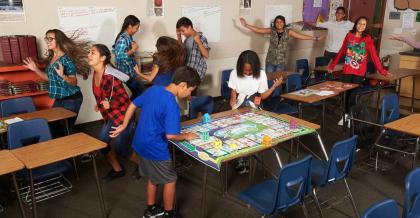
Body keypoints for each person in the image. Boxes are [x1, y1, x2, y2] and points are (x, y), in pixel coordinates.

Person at [110, 66, 201, 218]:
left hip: (140, 142)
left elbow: (133, 104)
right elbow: (171, 135)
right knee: (171, 179)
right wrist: (186, 136)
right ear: (182, 85)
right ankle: (169, 213)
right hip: (155, 147)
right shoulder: (172, 104)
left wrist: (124, 125)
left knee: (153, 177)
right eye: (190, 90)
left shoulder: (154, 89)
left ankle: (151, 209)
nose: (190, 94)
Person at [88, 44, 139, 181]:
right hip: (111, 115)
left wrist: (111, 104)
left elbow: (123, 98)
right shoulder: (96, 73)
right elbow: (103, 95)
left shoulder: (110, 76)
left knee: (123, 150)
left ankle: (144, 166)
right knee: (102, 143)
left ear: (103, 57)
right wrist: (100, 105)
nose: (89, 55)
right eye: (89, 52)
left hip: (123, 115)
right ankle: (118, 169)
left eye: (93, 52)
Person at [328, 16, 392, 126]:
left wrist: (383, 71)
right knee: (345, 95)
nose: (361, 26)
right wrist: (332, 65)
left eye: (364, 24)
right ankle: (345, 116)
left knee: (353, 96)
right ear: (356, 24)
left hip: (359, 73)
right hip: (347, 71)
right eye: (359, 23)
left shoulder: (367, 39)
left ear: (366, 27)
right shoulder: (349, 35)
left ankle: (351, 117)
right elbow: (341, 50)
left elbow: (374, 56)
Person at [23, 29, 89, 133]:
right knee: (53, 126)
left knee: (67, 128)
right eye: (46, 39)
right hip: (60, 98)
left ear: (59, 41)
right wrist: (35, 69)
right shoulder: (52, 58)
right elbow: (49, 78)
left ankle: (74, 147)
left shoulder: (66, 59)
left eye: (51, 39)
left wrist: (63, 75)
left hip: (71, 99)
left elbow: (74, 82)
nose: (48, 41)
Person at [228, 50, 283, 174]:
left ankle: (248, 158)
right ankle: (239, 159)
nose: (247, 73)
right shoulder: (234, 73)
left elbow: (263, 96)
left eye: (250, 71)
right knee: (237, 134)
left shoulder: (261, 74)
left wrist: (274, 87)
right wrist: (232, 101)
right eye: (245, 70)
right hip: (238, 106)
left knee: (252, 133)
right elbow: (233, 91)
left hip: (253, 106)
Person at [239, 15, 325, 73]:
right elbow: (259, 30)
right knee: (269, 80)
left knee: (279, 81)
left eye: (281, 22)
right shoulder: (271, 30)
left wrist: (315, 38)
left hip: (281, 62)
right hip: (270, 61)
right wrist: (246, 25)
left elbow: (301, 36)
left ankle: (278, 96)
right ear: (274, 23)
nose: (279, 23)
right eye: (277, 22)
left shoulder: (289, 32)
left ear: (284, 23)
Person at [113, 15, 144, 99]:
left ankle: (130, 110)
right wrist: (133, 50)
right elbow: (119, 56)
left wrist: (132, 47)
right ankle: (130, 110)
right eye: (136, 28)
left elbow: (115, 50)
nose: (137, 30)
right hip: (126, 74)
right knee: (140, 92)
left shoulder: (128, 37)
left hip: (130, 72)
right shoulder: (123, 38)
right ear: (130, 26)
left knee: (140, 92)